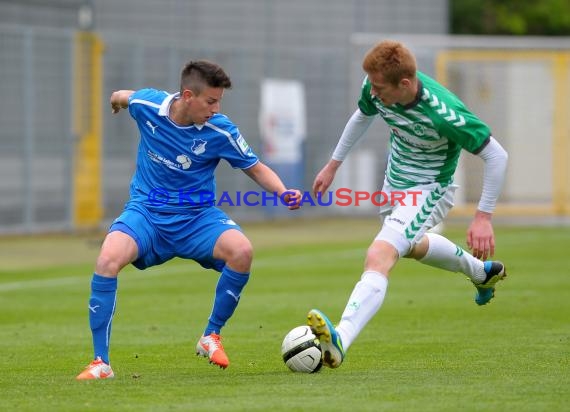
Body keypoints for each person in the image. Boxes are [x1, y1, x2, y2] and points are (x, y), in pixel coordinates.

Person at [76, 60, 301, 379]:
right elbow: (122, 95)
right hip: (147, 213)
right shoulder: (148, 105)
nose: (216, 108)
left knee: (242, 251)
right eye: (211, 101)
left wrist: (282, 191)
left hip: (197, 219)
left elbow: (256, 167)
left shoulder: (221, 130)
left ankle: (210, 335)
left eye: (219, 101)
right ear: (187, 95)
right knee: (107, 259)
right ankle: (101, 363)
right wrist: (115, 103)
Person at [307, 40, 508, 369]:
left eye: (379, 87)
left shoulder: (445, 113)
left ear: (405, 84)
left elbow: (496, 156)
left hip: (430, 190)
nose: (374, 91)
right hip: (395, 182)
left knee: (379, 255)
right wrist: (333, 165)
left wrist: (483, 217)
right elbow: (362, 115)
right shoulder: (376, 85)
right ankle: (481, 273)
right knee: (411, 245)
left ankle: (341, 337)